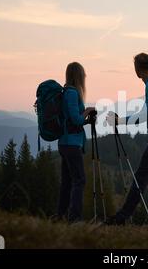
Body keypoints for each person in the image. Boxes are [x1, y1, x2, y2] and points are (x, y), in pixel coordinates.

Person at [106, 53, 148, 225]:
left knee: (141, 176)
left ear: (137, 71)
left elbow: (147, 115)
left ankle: (122, 217)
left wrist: (120, 121)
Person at [57, 62, 96, 223]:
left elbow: (73, 121)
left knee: (67, 181)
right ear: (78, 76)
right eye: (83, 74)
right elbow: (76, 119)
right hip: (71, 144)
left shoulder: (66, 92)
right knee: (79, 180)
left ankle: (61, 216)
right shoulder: (72, 93)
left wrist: (86, 119)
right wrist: (87, 111)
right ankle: (74, 218)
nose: (85, 77)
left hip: (65, 143)